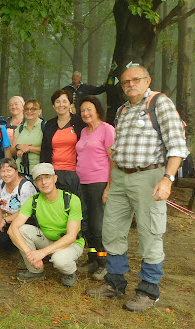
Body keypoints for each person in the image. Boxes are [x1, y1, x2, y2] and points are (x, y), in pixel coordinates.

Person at [87, 65, 188, 311]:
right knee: (111, 231)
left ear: (147, 80)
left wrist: (167, 179)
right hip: (120, 177)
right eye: (125, 82)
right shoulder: (122, 110)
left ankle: (148, 290)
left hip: (149, 176)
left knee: (150, 233)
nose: (130, 84)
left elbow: (178, 146)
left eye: (136, 79)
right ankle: (114, 282)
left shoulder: (159, 103)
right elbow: (117, 151)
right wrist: (111, 183)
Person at [7, 163, 84, 287]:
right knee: (22, 230)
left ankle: (69, 272)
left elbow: (71, 237)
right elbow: (12, 229)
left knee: (60, 260)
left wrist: (41, 253)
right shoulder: (34, 200)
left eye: (47, 177)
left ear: (55, 178)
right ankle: (35, 271)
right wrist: (30, 254)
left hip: (70, 243)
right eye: (39, 179)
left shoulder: (71, 200)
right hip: (47, 239)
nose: (44, 182)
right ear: (35, 183)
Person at [74, 96, 115, 280]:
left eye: (89, 109)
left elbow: (114, 160)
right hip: (82, 182)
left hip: (99, 183)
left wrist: (109, 187)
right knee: (87, 224)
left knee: (99, 225)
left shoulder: (107, 130)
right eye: (82, 110)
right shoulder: (83, 131)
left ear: (97, 110)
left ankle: (104, 262)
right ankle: (92, 258)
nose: (85, 113)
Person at [41, 90, 86, 198]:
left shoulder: (79, 123)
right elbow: (44, 150)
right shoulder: (49, 124)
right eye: (57, 102)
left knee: (72, 206)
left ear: (70, 104)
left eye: (64, 101)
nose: (61, 105)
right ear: (53, 105)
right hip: (53, 173)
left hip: (74, 174)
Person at [0, 158, 37, 251]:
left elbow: (26, 211)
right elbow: (0, 202)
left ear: (16, 171)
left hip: (24, 219)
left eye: (9, 171)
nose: (6, 174)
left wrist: (5, 221)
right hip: (7, 216)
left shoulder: (25, 186)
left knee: (13, 236)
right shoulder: (2, 183)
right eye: (3, 171)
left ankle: (24, 250)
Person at [11, 100, 44, 178]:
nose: (29, 111)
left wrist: (29, 148)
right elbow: (12, 151)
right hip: (20, 172)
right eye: (27, 109)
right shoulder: (20, 128)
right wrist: (19, 146)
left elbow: (48, 150)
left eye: (33, 109)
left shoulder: (45, 127)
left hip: (39, 173)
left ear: (40, 111)